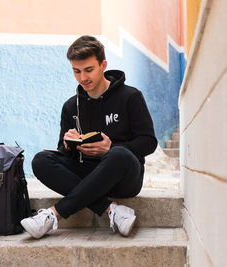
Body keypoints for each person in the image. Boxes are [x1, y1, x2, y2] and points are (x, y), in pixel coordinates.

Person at [20, 35, 157, 239]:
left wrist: (110, 149)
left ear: (103, 65)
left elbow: (148, 142)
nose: (83, 77)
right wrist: (68, 143)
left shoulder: (131, 96)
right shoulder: (70, 106)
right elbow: (63, 149)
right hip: (86, 173)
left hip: (124, 177)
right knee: (41, 160)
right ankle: (112, 210)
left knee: (119, 154)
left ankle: (54, 215)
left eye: (88, 69)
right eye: (76, 71)